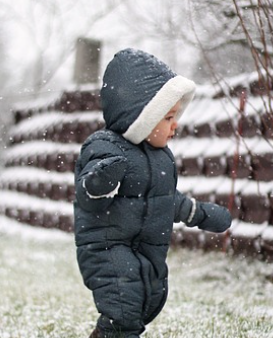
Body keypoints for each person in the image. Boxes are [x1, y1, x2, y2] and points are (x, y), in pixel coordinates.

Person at [73, 48, 232, 338]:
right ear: (141, 118)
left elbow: (165, 201)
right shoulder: (104, 147)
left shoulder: (161, 158)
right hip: (108, 247)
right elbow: (87, 194)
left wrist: (201, 213)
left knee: (151, 296)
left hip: (147, 248)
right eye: (168, 117)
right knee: (124, 305)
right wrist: (101, 181)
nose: (176, 125)